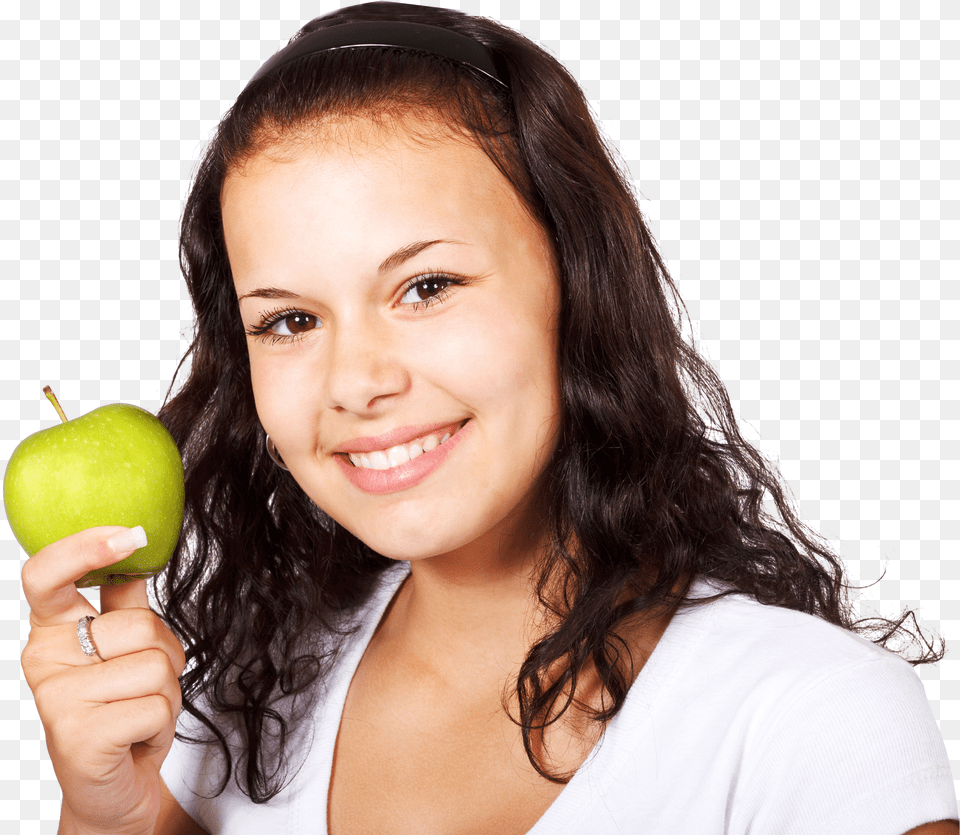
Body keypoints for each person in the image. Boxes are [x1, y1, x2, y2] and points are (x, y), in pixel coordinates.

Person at [17, 3, 958, 834]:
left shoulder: (806, 723)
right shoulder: (228, 712)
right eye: (291, 320)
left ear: (577, 286)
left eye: (426, 286)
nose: (357, 381)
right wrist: (107, 822)